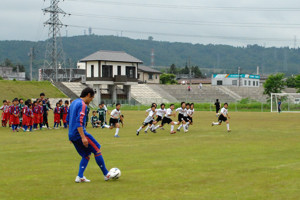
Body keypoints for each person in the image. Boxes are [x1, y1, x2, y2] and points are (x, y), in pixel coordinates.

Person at [66, 87, 115, 182]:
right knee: (97, 149)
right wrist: (83, 137)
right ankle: (106, 174)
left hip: (72, 134)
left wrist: (70, 135)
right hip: (79, 133)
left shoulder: (73, 103)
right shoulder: (82, 104)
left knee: (86, 154)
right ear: (88, 95)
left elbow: (68, 120)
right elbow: (79, 122)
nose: (91, 100)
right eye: (92, 98)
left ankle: (80, 176)